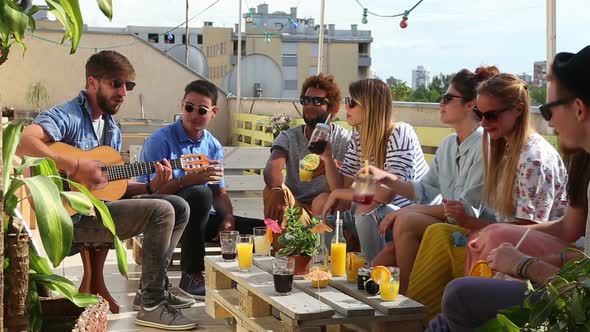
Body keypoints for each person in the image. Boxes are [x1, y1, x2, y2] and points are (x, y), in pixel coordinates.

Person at [16, 51, 197, 330]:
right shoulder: (68, 115)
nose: (124, 92)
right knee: (162, 210)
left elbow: (111, 189)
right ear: (92, 82)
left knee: (178, 205)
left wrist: (150, 186)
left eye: (129, 86)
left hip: (97, 212)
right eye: (116, 83)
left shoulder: (111, 129)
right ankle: (151, 305)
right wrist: (75, 164)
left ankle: (153, 289)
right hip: (68, 219)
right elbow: (24, 142)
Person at [426, 45, 590, 332]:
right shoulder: (582, 161)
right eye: (480, 113)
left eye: (549, 111)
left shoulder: (534, 158)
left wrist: (526, 264)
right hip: (561, 270)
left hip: (570, 292)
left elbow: (581, 285)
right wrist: (497, 234)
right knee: (449, 244)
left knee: (458, 291)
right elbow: (569, 228)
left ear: (579, 109)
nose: (548, 123)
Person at [406, 73, 569, 321]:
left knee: (442, 243)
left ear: (518, 109)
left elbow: (526, 233)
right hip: (505, 242)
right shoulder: (505, 149)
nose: (483, 123)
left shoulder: (533, 158)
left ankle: (421, 320)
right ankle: (417, 317)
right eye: (480, 115)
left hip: (533, 254)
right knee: (436, 233)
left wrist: (472, 224)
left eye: (491, 115)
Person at [363, 66, 498, 294]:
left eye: (447, 98)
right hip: (450, 222)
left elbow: (464, 210)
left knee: (405, 222)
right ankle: (369, 297)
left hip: (474, 227)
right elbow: (424, 190)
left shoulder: (485, 146)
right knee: (388, 252)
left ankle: (407, 300)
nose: (441, 104)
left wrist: (406, 211)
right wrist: (386, 177)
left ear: (470, 104)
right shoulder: (447, 145)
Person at [139, 79, 247, 299]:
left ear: (214, 112)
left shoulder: (213, 146)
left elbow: (219, 192)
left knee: (259, 228)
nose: (194, 114)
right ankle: (191, 273)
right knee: (199, 192)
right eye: (189, 107)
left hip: (198, 220)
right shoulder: (160, 141)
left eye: (202, 109)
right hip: (161, 217)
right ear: (182, 105)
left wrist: (228, 218)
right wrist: (188, 180)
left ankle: (250, 281)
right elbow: (148, 195)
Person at [319, 78, 429, 261]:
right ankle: (330, 267)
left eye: (352, 102)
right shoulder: (358, 136)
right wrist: (328, 157)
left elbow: (386, 195)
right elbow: (344, 188)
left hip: (410, 217)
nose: (346, 107)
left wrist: (340, 193)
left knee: (366, 207)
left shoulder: (400, 133)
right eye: (347, 101)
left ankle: (373, 275)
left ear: (370, 106)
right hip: (378, 214)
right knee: (322, 202)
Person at [263, 73, 351, 228]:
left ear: (332, 108)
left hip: (328, 210)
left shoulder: (344, 139)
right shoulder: (289, 137)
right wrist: (277, 189)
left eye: (318, 101)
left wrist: (331, 165)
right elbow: (273, 166)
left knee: (324, 198)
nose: (310, 105)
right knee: (271, 190)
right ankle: (280, 246)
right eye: (306, 100)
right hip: (297, 209)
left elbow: (350, 185)